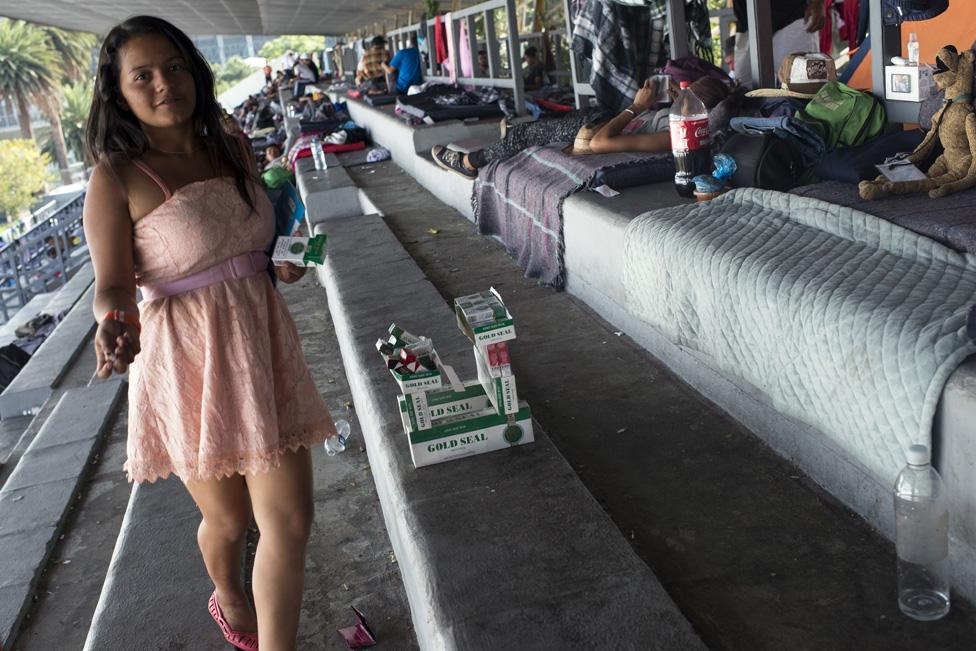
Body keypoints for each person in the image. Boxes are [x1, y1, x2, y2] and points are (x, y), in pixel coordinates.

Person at [82, 15, 334, 650]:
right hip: (186, 360)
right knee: (228, 520)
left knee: (290, 520)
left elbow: (251, 238)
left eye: (174, 66)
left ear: (195, 69)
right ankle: (228, 594)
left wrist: (275, 261)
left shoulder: (232, 144)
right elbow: (112, 283)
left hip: (261, 342)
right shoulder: (116, 176)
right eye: (142, 75)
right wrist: (113, 323)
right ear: (117, 91)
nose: (164, 84)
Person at [431, 76, 730, 178]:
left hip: (599, 134)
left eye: (687, 101)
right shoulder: (677, 119)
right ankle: (507, 140)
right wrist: (665, 104)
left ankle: (469, 163)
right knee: (551, 121)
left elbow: (601, 143)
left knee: (525, 134)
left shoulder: (672, 137)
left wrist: (637, 107)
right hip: (606, 120)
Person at [732, 0, 824, 87]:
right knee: (743, 90)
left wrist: (817, 3)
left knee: (803, 87)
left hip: (792, 15)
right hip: (748, 21)